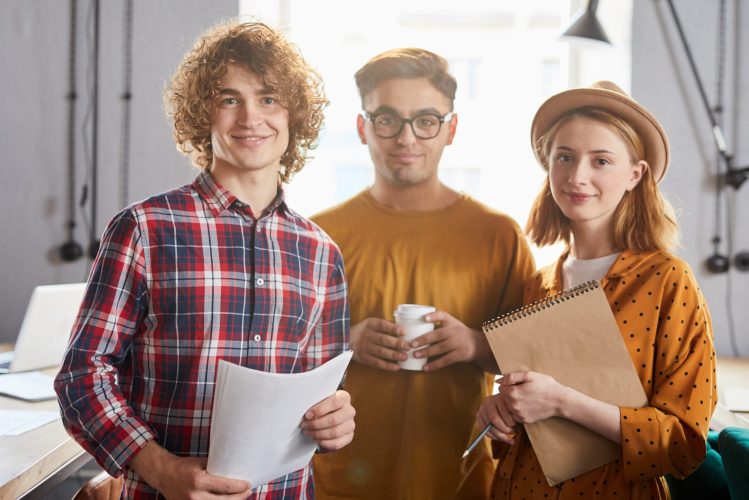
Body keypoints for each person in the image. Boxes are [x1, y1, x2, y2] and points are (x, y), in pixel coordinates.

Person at [54, 21, 355, 499]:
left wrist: (335, 421)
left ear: (293, 114)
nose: (251, 117)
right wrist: (162, 469)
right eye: (229, 98)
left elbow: (320, 399)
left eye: (269, 98)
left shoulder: (321, 253)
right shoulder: (144, 229)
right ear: (203, 114)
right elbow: (81, 377)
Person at [311, 48, 535, 499]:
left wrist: (473, 342)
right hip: (341, 481)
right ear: (363, 128)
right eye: (388, 119)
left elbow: (534, 366)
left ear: (450, 129)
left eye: (426, 120)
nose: (406, 138)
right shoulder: (318, 236)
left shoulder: (499, 236)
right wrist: (345, 342)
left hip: (460, 477)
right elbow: (275, 357)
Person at [476, 81, 717, 498]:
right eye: (564, 157)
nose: (577, 176)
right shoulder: (539, 283)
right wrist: (501, 412)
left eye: (601, 161)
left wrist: (562, 402)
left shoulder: (668, 281)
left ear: (635, 174)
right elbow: (527, 426)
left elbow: (683, 444)